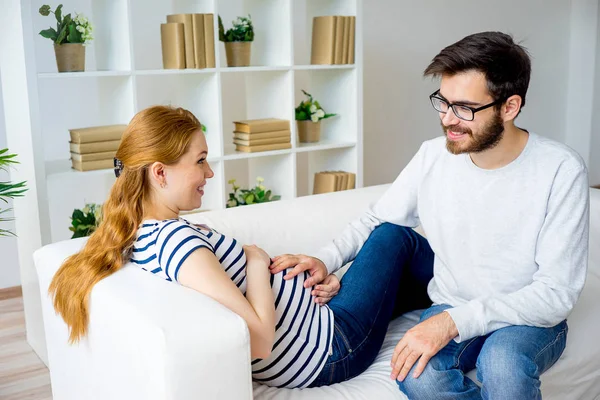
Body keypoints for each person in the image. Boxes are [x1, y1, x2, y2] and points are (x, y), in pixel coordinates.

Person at [270, 31, 589, 398]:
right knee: (418, 374)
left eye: (465, 108)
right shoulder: (433, 156)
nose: (449, 120)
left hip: (526, 316)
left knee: (503, 364)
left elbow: (556, 293)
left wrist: (452, 323)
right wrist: (325, 259)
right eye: (443, 102)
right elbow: (378, 219)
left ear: (509, 107)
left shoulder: (560, 169)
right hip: (452, 301)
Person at [48, 105, 434, 389]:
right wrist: (255, 260)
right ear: (160, 173)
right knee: (392, 235)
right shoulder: (177, 242)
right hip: (333, 347)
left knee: (400, 277)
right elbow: (260, 340)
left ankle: (447, 296)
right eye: (200, 161)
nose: (210, 173)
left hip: (317, 324)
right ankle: (464, 287)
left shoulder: (144, 231)